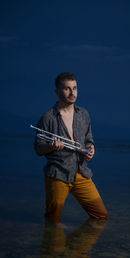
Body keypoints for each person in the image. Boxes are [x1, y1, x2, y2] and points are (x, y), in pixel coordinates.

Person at [34, 72, 108, 223]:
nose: (72, 93)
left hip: (81, 173)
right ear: (57, 91)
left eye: (74, 88)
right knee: (53, 219)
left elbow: (89, 138)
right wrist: (51, 146)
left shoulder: (83, 114)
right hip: (58, 174)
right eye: (67, 89)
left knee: (101, 216)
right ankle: (54, 244)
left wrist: (91, 147)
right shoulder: (48, 118)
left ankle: (74, 246)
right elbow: (38, 148)